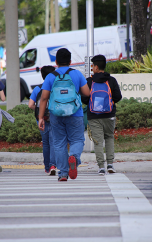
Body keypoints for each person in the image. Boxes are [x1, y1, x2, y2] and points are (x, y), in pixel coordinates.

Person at [38, 48, 90, 182]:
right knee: (77, 140)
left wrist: (40, 117)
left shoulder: (50, 76)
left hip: (55, 113)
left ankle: (63, 173)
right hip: (75, 113)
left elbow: (43, 98)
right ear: (70, 61)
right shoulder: (77, 74)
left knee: (59, 143)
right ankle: (74, 157)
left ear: (56, 62)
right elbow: (87, 93)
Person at [81, 55, 122, 175]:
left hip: (94, 115)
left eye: (93, 65)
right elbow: (118, 96)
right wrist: (109, 103)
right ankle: (110, 164)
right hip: (109, 114)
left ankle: (101, 167)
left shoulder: (89, 81)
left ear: (97, 67)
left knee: (98, 141)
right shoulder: (111, 80)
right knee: (109, 137)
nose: (92, 68)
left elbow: (84, 99)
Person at [28, 65, 57, 175]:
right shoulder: (55, 88)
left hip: (41, 119)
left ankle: (47, 167)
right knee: (53, 141)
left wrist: (40, 109)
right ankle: (53, 165)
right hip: (54, 117)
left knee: (46, 143)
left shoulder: (38, 88)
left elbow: (30, 105)